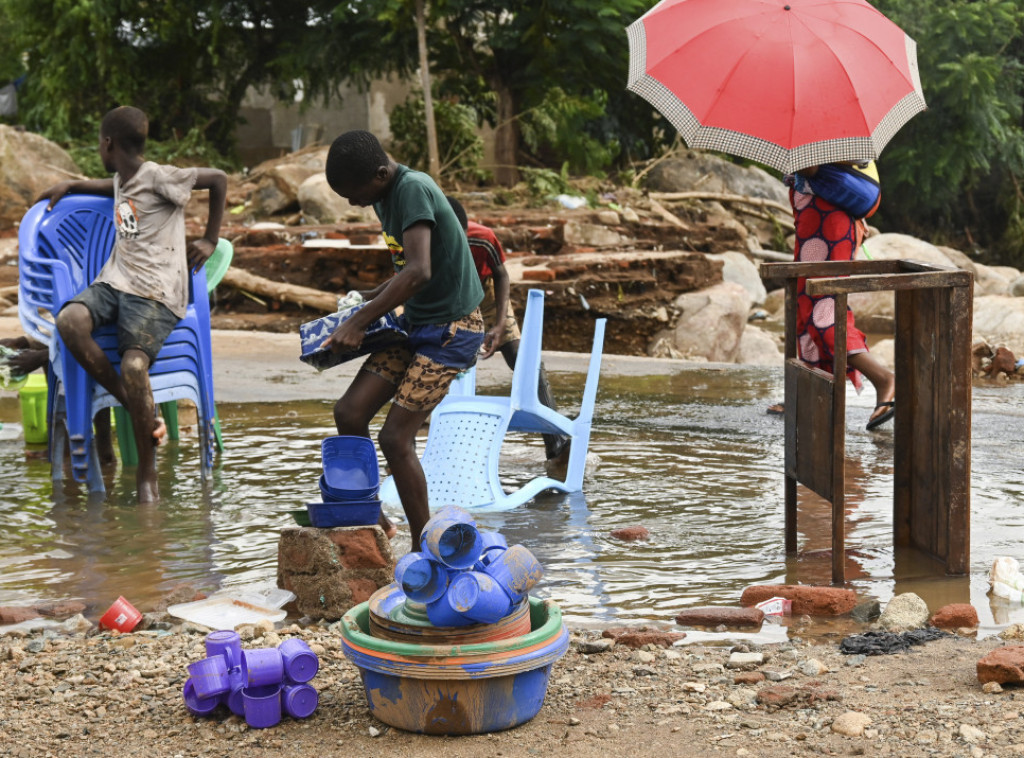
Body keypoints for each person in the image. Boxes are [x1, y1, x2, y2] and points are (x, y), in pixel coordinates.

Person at [37, 106, 227, 501]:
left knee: (135, 364)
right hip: (115, 282)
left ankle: (147, 471)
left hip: (156, 291)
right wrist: (70, 186)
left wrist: (210, 238)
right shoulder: (123, 180)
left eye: (99, 143)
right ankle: (134, 404)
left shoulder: (158, 175)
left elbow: (218, 179)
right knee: (69, 321)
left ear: (108, 143)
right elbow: (112, 188)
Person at [322, 130, 484, 550]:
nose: (353, 203)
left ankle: (425, 549)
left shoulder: (412, 189)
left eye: (354, 193)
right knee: (350, 413)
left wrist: (359, 322)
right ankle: (376, 520)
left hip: (452, 329)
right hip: (414, 324)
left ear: (379, 173)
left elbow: (419, 271)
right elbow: (404, 272)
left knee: (395, 438)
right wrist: (362, 302)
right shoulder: (383, 194)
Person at [770, 162, 895, 430]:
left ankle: (883, 378)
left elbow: (812, 169)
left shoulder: (819, 131)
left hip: (829, 228)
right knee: (805, 312)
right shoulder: (826, 130)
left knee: (824, 314)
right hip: (814, 228)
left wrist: (798, 156)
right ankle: (809, 394)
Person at [445, 196, 570, 463]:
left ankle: (556, 443)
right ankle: (444, 440)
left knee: (522, 359)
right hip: (448, 297)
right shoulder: (428, 238)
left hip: (485, 294)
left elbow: (501, 275)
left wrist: (500, 325)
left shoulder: (483, 238)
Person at [0, 335, 116, 463]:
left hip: (119, 355)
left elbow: (94, 340)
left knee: (58, 359)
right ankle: (66, 448)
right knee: (54, 356)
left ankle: (98, 452)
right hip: (93, 343)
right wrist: (24, 342)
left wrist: (41, 356)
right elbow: (61, 334)